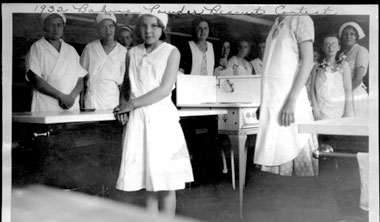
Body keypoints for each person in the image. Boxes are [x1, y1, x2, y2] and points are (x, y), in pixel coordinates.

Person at [114, 12, 194, 217]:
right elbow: (126, 84)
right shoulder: (132, 52)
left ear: (162, 29)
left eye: (154, 26)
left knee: (165, 183)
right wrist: (123, 105)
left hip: (161, 121)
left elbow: (165, 89)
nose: (148, 30)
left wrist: (131, 104)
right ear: (138, 29)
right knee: (146, 183)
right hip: (138, 121)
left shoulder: (171, 51)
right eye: (144, 26)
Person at [254, 15, 318, 176]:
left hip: (290, 103)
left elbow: (308, 61)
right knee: (272, 171)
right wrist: (264, 102)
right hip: (272, 103)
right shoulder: (277, 22)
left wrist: (291, 101)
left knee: (291, 156)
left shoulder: (301, 19)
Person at [25, 13, 87, 112]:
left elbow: (80, 79)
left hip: (71, 106)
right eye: (51, 25)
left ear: (63, 27)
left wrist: (71, 97)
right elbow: (36, 80)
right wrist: (61, 97)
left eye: (59, 25)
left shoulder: (71, 50)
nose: (56, 28)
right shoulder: (37, 48)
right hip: (46, 105)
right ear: (44, 27)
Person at [80, 12, 127, 110]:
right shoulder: (90, 48)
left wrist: (123, 106)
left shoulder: (123, 51)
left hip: (113, 101)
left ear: (115, 28)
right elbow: (81, 77)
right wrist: (80, 102)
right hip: (92, 100)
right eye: (103, 27)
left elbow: (124, 84)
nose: (108, 30)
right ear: (98, 29)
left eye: (111, 26)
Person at [310, 33, 354, 120]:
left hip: (339, 108)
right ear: (322, 48)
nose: (331, 47)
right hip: (321, 108)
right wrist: (315, 108)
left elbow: (348, 89)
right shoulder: (316, 66)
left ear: (339, 47)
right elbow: (312, 89)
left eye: (334, 44)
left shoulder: (344, 65)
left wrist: (347, 110)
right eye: (327, 44)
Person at [338, 21, 369, 117]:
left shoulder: (361, 51)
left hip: (355, 92)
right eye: (346, 34)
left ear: (357, 37)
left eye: (352, 34)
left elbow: (358, 79)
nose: (348, 37)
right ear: (342, 37)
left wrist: (344, 94)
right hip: (343, 92)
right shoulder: (341, 54)